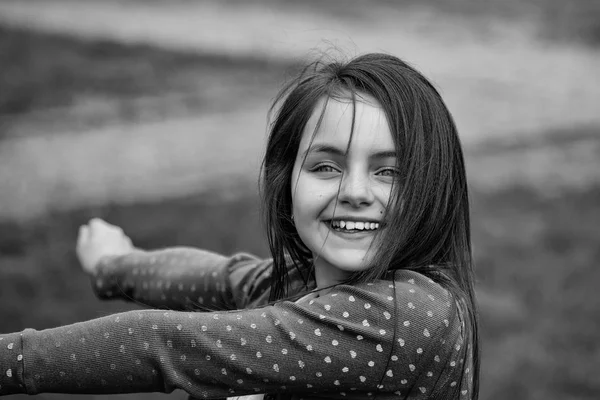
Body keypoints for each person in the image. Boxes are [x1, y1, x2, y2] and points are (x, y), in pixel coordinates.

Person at [0, 52, 479, 399]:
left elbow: (166, 343)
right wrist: (113, 264)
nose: (355, 191)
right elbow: (222, 276)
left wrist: (12, 361)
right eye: (325, 167)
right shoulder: (300, 283)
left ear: (432, 187)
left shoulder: (407, 316)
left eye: (388, 171)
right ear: (285, 185)